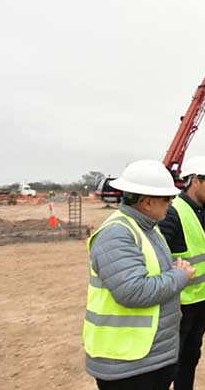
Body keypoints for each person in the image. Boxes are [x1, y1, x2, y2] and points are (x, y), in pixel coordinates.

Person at [83, 159, 195, 389]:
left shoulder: (148, 228)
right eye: (166, 199)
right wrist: (180, 276)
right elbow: (133, 291)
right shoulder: (117, 234)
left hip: (147, 357)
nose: (171, 204)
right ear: (146, 203)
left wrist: (172, 272)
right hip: (126, 362)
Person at [158, 156, 205, 390]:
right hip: (179, 305)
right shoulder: (173, 212)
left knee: (190, 358)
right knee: (170, 364)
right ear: (194, 181)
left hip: (203, 300)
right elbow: (158, 258)